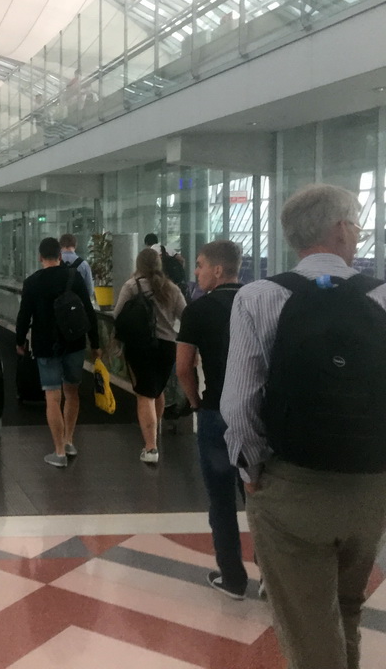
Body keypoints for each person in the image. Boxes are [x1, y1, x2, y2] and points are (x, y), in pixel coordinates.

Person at [223, 184, 386, 669]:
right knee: (347, 607)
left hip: (291, 486)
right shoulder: (381, 296)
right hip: (371, 484)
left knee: (307, 625)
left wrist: (252, 474)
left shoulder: (258, 297)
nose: (356, 232)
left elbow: (238, 404)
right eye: (354, 223)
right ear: (339, 229)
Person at [175, 240, 247, 598]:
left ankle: (232, 578)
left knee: (221, 499)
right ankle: (272, 578)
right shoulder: (261, 302)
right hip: (256, 416)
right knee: (260, 497)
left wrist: (194, 402)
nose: (197, 272)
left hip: (216, 412)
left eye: (201, 265)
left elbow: (183, 367)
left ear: (218, 270)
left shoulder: (198, 311)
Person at [16, 237, 100, 468]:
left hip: (45, 346)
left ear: (40, 257)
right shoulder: (73, 277)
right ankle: (69, 440)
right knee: (72, 392)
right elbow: (89, 313)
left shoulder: (32, 282)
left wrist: (20, 340)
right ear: (60, 256)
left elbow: (24, 315)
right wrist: (95, 343)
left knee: (52, 398)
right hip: (74, 343)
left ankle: (59, 452)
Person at [113, 247, 186, 463]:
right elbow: (186, 314)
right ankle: (155, 431)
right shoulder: (171, 288)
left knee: (144, 394)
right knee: (157, 390)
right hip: (167, 347)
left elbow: (118, 315)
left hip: (139, 346)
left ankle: (151, 447)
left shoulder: (131, 286)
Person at [145, 232, 189, 299]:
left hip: (160, 283)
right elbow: (182, 260)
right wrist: (178, 271)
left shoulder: (150, 252)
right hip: (173, 282)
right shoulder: (166, 248)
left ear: (146, 243)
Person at [59, 233, 95, 305]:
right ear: (75, 245)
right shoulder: (84, 264)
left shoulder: (55, 262)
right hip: (77, 307)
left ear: (60, 245)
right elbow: (89, 290)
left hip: (57, 307)